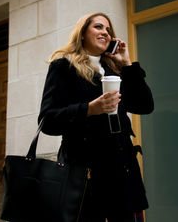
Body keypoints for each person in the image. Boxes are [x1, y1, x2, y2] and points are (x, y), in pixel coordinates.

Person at [38, 12, 154, 222]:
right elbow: (48, 120)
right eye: (99, 27)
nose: (106, 33)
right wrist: (89, 109)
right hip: (86, 176)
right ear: (82, 33)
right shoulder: (64, 67)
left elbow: (145, 106)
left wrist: (127, 64)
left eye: (108, 30)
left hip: (123, 173)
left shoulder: (115, 70)